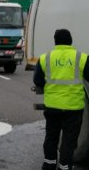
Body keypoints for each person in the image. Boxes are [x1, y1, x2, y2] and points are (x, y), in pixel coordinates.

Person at [34, 29, 89, 170]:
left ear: (55, 41)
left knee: (51, 137)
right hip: (73, 108)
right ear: (71, 41)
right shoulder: (81, 57)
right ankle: (64, 167)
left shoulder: (45, 58)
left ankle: (49, 164)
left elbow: (38, 81)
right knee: (69, 141)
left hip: (52, 106)